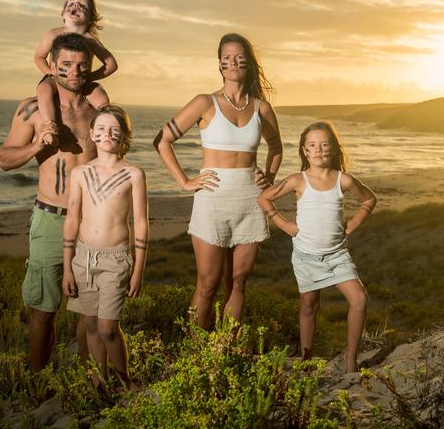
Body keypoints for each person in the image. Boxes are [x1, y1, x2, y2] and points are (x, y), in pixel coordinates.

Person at [154, 33, 283, 329]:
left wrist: (270, 179)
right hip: (212, 200)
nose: (232, 63)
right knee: (207, 284)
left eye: (239, 58)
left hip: (250, 201)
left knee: (238, 283)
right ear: (220, 65)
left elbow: (276, 148)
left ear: (248, 63)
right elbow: (163, 141)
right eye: (226, 59)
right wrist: (185, 181)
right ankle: (200, 358)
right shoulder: (204, 103)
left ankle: (226, 351)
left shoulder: (261, 108)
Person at [0, 32, 109, 371]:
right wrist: (38, 147)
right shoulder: (33, 110)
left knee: (89, 311)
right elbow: (4, 159)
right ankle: (36, 381)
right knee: (44, 311)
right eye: (66, 65)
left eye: (81, 66)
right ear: (53, 66)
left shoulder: (99, 113)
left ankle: (85, 380)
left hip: (93, 221)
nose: (74, 72)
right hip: (50, 219)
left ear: (89, 69)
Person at [257, 121, 377, 373]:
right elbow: (264, 198)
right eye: (313, 145)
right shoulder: (296, 181)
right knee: (308, 306)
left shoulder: (343, 180)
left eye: (324, 144)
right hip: (306, 256)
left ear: (333, 148)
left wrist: (353, 223)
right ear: (304, 150)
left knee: (359, 299)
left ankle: (350, 360)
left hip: (337, 255)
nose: (319, 150)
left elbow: (369, 198)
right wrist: (284, 224)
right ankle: (307, 360)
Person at [62, 105, 148, 387]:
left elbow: (141, 222)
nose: (107, 134)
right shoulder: (80, 173)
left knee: (107, 328)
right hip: (83, 259)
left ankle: (125, 380)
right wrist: (67, 267)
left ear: (124, 136)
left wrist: (138, 270)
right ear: (92, 135)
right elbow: (72, 218)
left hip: (116, 259)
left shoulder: (133, 173)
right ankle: (100, 383)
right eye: (100, 129)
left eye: (114, 129)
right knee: (88, 325)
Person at [34, 0, 118, 145]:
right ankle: (50, 129)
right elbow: (39, 57)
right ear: (63, 14)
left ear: (90, 18)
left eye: (82, 6)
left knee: (100, 95)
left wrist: (88, 77)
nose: (76, 7)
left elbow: (111, 64)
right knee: (44, 89)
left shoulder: (90, 40)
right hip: (56, 77)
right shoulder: (54, 34)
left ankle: (109, 125)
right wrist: (51, 73)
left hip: (81, 80)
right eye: (71, 4)